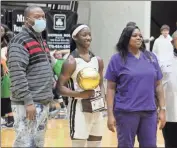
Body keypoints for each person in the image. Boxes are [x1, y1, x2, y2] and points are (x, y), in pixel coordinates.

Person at [105, 25, 166, 148]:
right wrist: (110, 114)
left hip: (149, 111)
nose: (139, 38)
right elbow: (110, 88)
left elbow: (158, 85)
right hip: (126, 112)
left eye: (140, 36)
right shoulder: (117, 59)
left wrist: (162, 109)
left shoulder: (151, 57)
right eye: (135, 36)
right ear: (126, 38)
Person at [7, 6, 54, 147]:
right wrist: (28, 102)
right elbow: (17, 74)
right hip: (28, 104)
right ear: (27, 20)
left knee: (37, 143)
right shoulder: (19, 41)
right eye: (36, 17)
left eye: (43, 17)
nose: (41, 20)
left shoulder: (41, 41)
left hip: (42, 102)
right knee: (25, 143)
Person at [56, 24, 105, 147]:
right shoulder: (71, 61)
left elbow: (100, 84)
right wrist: (80, 95)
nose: (88, 37)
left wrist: (103, 101)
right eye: (84, 35)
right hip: (78, 109)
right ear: (75, 38)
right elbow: (59, 88)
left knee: (96, 144)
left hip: (96, 108)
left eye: (89, 34)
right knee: (78, 144)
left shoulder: (97, 60)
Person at [1, 24, 14, 128]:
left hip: (7, 74)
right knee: (9, 98)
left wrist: (5, 67)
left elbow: (2, 60)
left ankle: (9, 119)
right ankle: (10, 119)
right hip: (14, 74)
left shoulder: (5, 48)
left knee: (6, 98)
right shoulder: (16, 48)